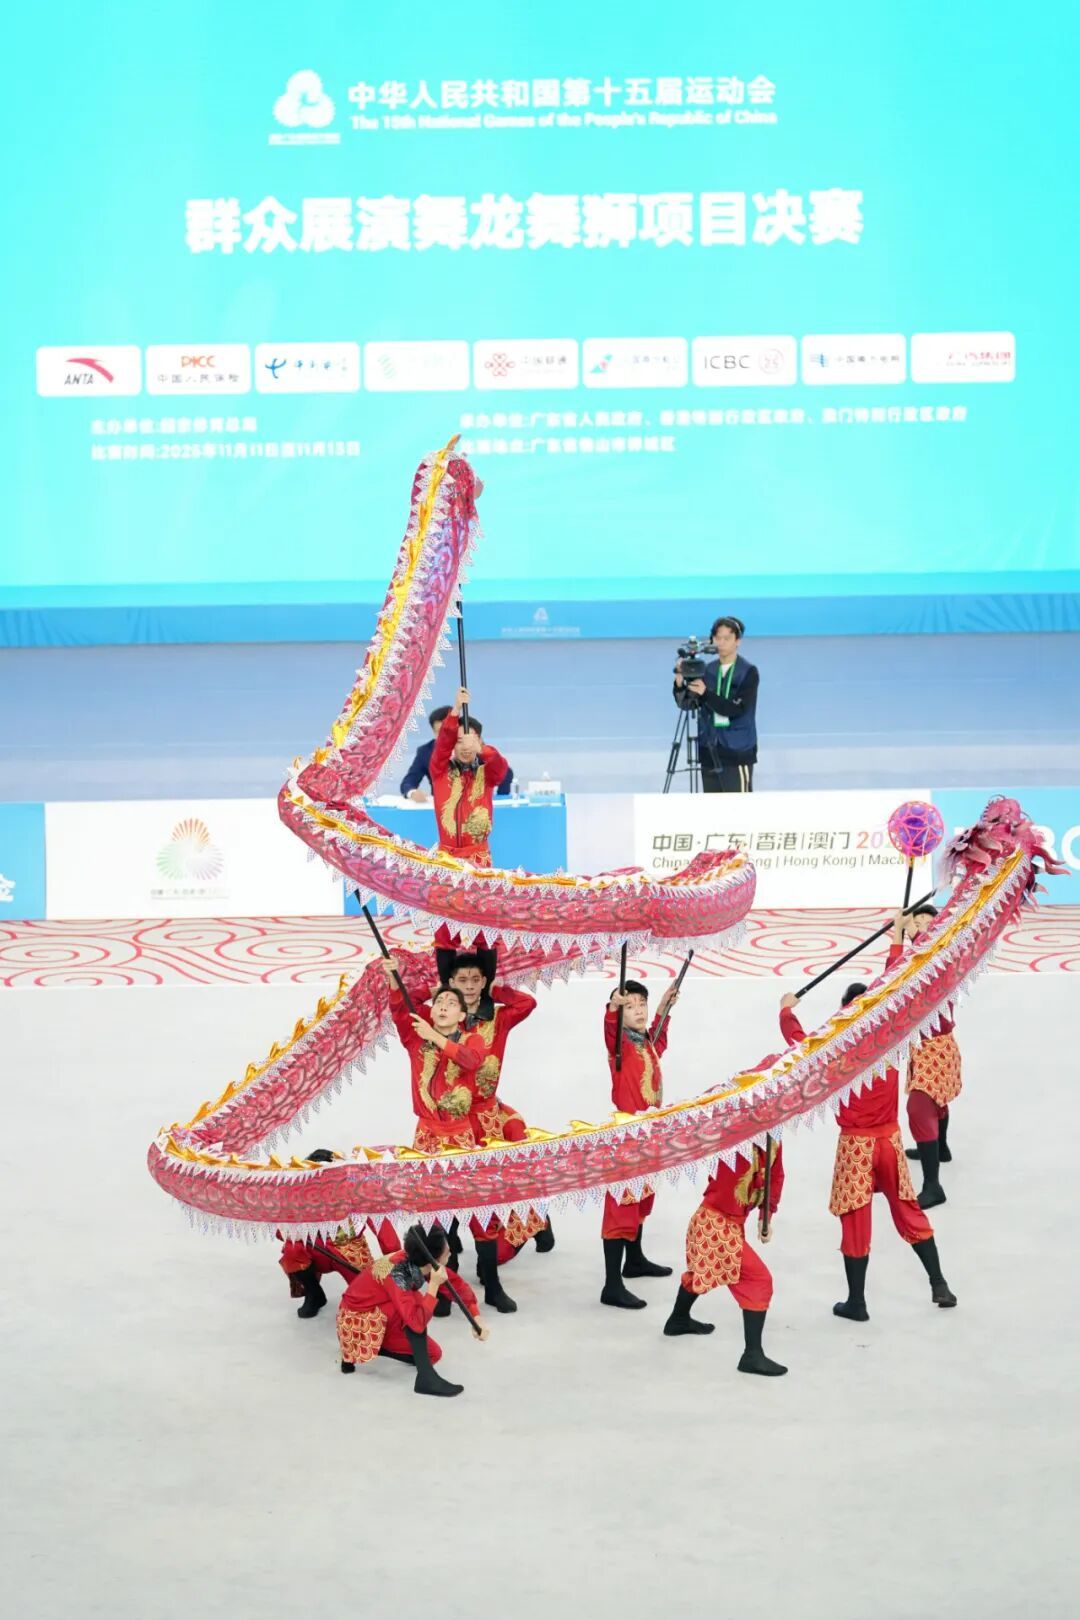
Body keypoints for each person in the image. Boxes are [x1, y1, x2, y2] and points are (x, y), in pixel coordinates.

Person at [780, 986, 957, 1320]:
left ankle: (857, 1302)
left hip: (855, 1146)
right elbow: (902, 987)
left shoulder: (837, 1045)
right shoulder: (890, 1034)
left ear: (844, 1009)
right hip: (889, 1140)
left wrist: (786, 1012)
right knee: (908, 1212)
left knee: (855, 1221)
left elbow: (801, 1047)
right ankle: (939, 1284)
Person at [383, 958, 517, 1316]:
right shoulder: (416, 1037)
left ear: (461, 1015)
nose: (443, 1006)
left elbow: (473, 1061)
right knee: (434, 1215)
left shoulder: (472, 1038)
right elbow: (401, 1008)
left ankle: (492, 1285)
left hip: (460, 1136)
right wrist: (394, 979)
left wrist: (438, 1038)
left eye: (450, 1003)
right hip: (428, 1136)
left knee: (480, 1209)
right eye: (439, 1002)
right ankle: (441, 1290)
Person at [447, 951, 554, 1294]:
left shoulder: (497, 1018)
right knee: (452, 1182)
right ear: (450, 982)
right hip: (452, 1120)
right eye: (462, 980)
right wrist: (439, 995)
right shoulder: (442, 1020)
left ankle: (535, 1221)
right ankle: (450, 1242)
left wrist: (495, 989)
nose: (469, 986)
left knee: (516, 1163)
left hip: (491, 1113)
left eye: (475, 980)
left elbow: (526, 1003)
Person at [664, 1140, 787, 1376]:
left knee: (703, 1272)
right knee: (758, 1279)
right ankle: (752, 1355)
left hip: (723, 1224)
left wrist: (766, 1216)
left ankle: (678, 1319)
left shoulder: (774, 1139)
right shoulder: (735, 1140)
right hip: (714, 1223)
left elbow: (776, 1176)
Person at [337, 1223, 489, 1397]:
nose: (450, 1253)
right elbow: (416, 1323)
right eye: (447, 1252)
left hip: (378, 1312)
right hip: (358, 1323)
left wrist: (476, 1317)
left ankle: (386, 1352)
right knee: (416, 1305)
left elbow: (455, 1284)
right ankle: (424, 1377)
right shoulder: (398, 1274)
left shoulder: (417, 1259)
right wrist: (433, 1286)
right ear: (433, 1260)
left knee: (433, 1354)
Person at [601, 977, 679, 1309]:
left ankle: (634, 1260)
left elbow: (658, 1038)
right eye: (630, 1006)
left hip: (649, 1134)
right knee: (621, 1205)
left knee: (642, 1199)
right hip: (628, 1136)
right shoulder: (618, 1044)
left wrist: (663, 1007)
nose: (638, 1011)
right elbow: (609, 1027)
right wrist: (612, 1007)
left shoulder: (645, 1042)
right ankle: (611, 1284)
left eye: (641, 1005)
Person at [885, 905, 963, 1209]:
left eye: (927, 923)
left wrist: (903, 932)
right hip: (929, 1047)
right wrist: (899, 932)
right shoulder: (918, 960)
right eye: (916, 923)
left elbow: (912, 962)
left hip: (936, 1048)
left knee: (919, 1108)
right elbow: (893, 976)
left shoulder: (940, 956)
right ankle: (939, 1147)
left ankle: (933, 1185)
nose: (921, 927)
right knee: (935, 1101)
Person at [673, 615, 758, 792]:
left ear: (738, 641)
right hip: (709, 750)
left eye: (727, 638)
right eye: (718, 638)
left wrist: (706, 693)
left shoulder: (748, 672)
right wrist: (679, 683)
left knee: (740, 806)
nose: (722, 642)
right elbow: (688, 705)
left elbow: (735, 709)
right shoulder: (706, 670)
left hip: (736, 752)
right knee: (712, 807)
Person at [429, 687, 510, 866]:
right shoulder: (440, 771)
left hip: (478, 860)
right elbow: (442, 744)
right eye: (459, 741)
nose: (466, 747)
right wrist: (456, 710)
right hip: (447, 860)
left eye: (472, 741)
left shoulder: (487, 774)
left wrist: (481, 749)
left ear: (480, 741)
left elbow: (501, 767)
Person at [400, 704, 515, 801]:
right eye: (440, 732)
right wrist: (412, 793)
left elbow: (505, 772)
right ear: (434, 733)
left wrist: (500, 800)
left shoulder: (472, 746)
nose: (446, 736)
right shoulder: (425, 752)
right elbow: (408, 782)